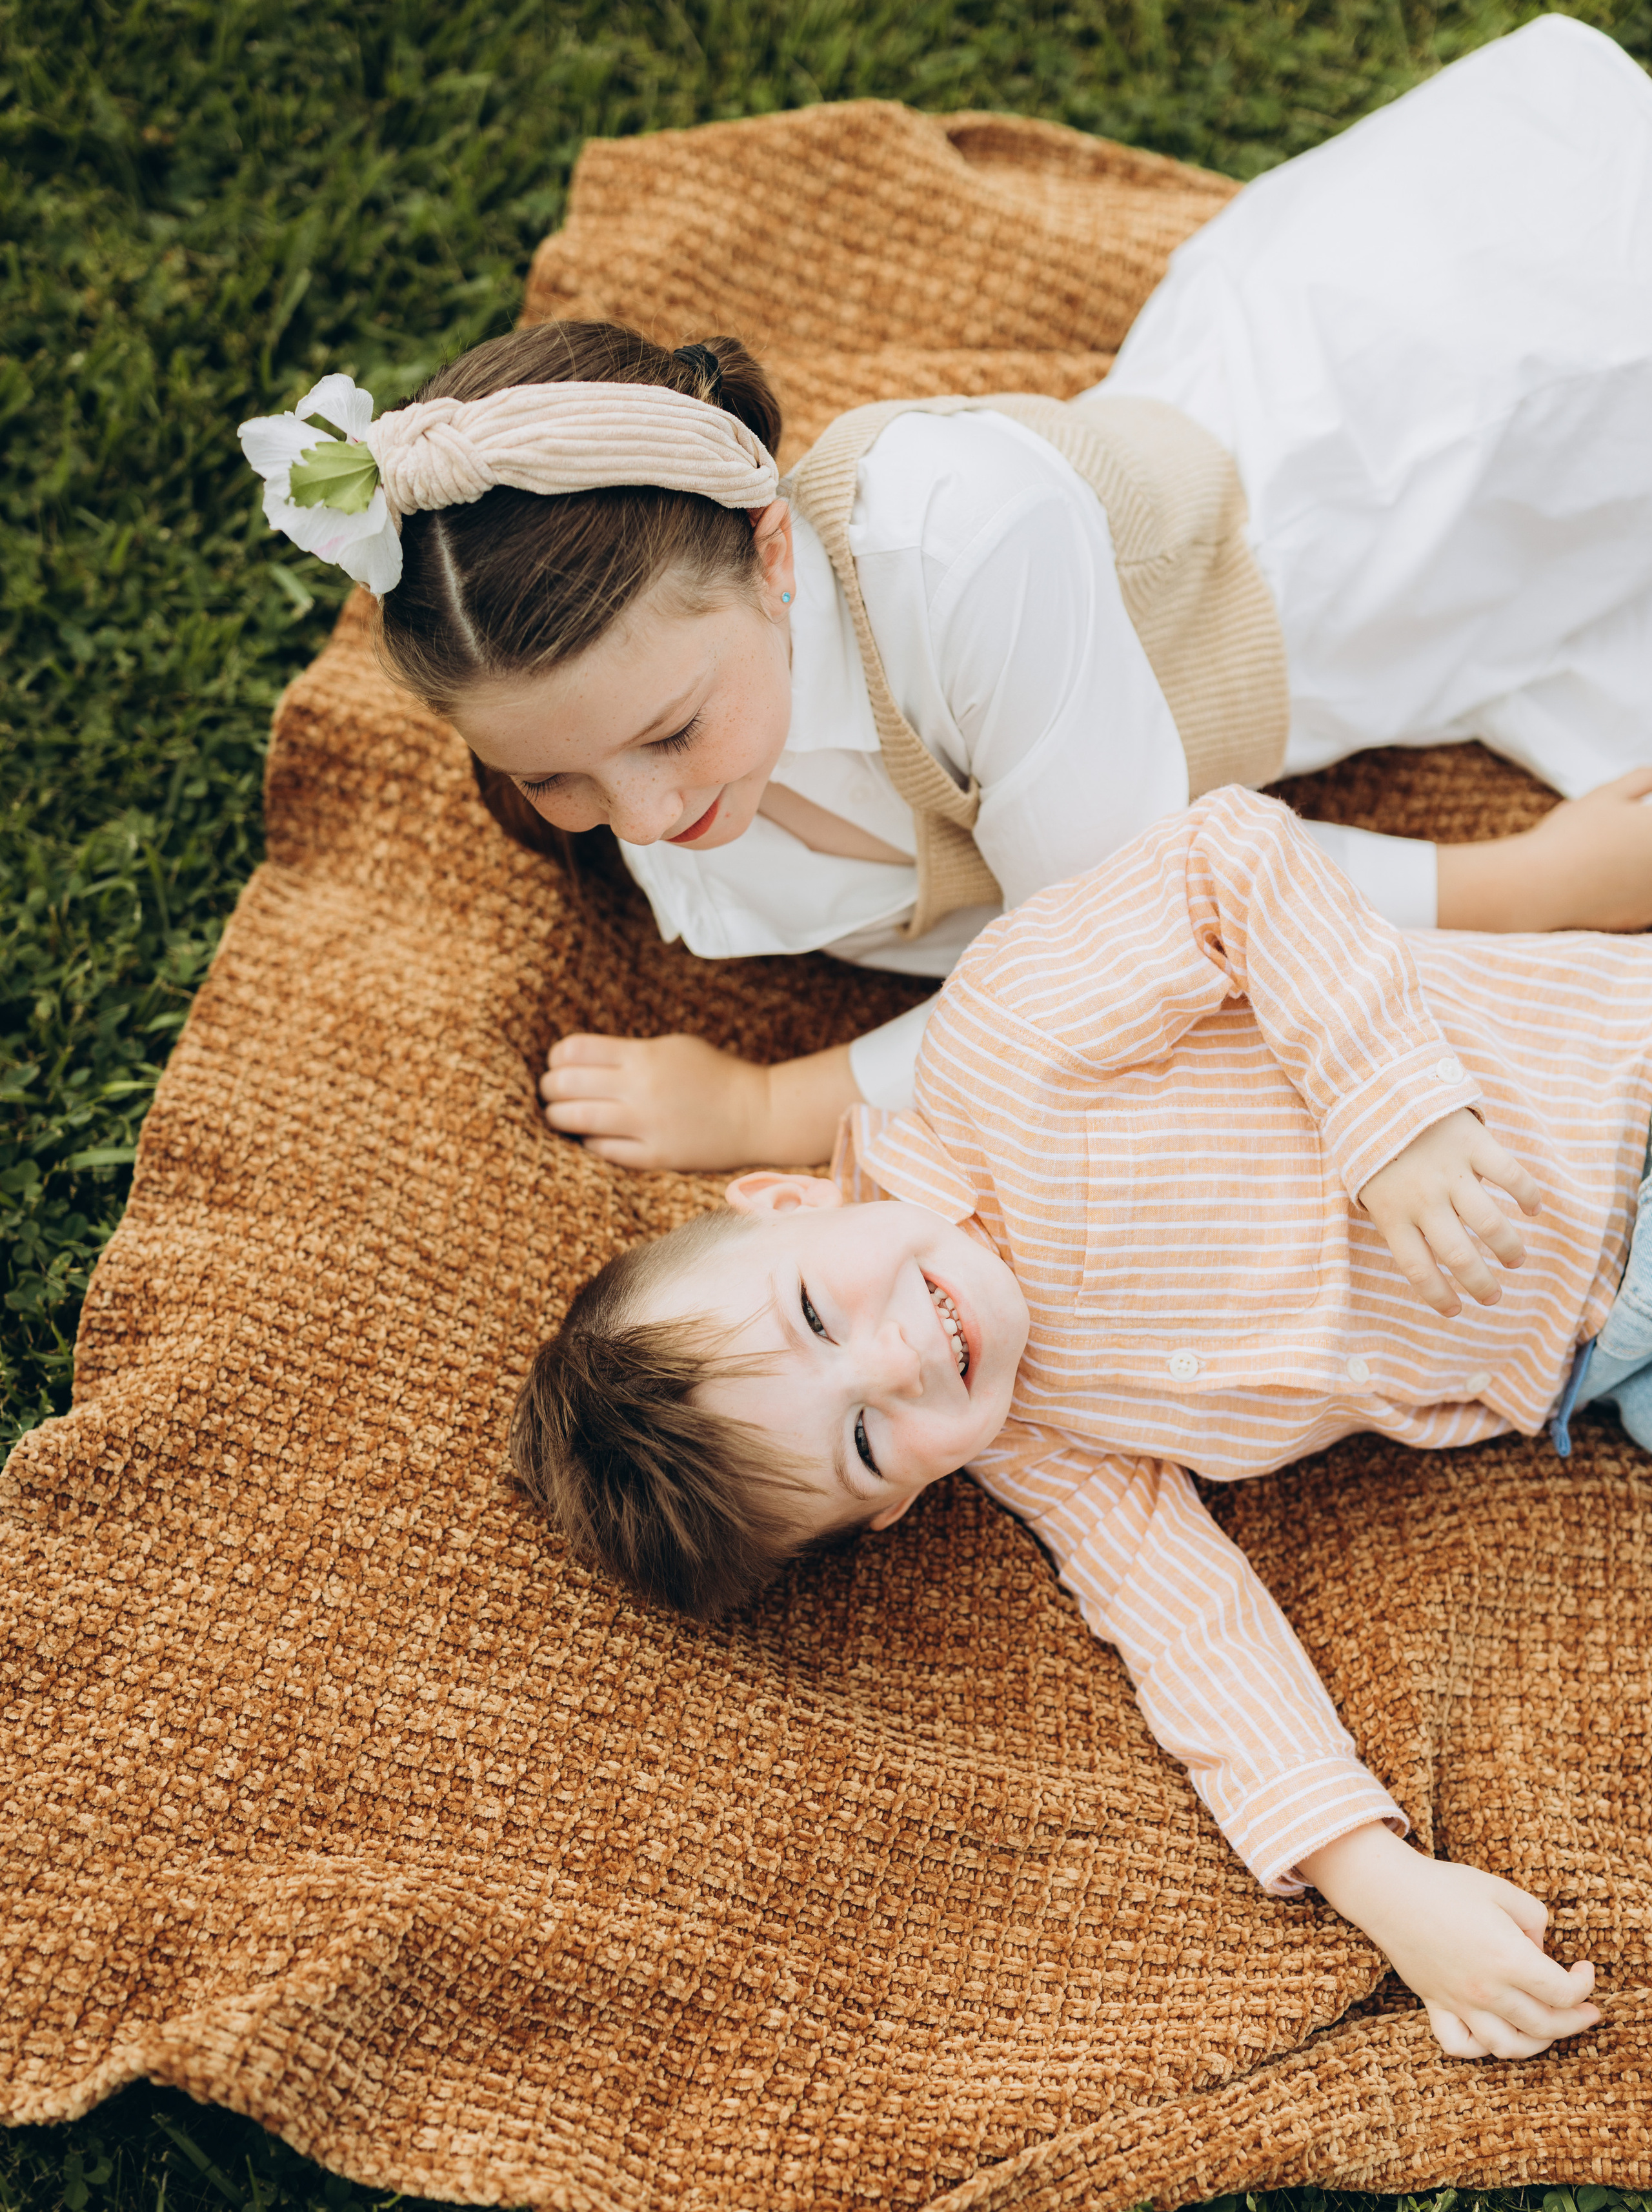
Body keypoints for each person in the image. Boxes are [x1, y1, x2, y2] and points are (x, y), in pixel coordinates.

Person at [239, 12, 1652, 1173]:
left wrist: (772, 1112)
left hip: (1387, 496)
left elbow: (1124, 950)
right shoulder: (601, 732)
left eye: (672, 733)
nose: (649, 819)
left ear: (773, 557)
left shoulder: (971, 553)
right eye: (558, 780)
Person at [508, 782, 1652, 2063]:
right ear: (894, 1504)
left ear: (785, 1199)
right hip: (1595, 1361)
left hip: (1609, 1091)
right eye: (866, 1440)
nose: (900, 1357)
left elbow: (1226, 857)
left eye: (818, 1318)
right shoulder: (1036, 1441)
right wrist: (1376, 1886)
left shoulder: (1003, 1044)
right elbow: (1183, 1619)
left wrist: (1387, 1116)